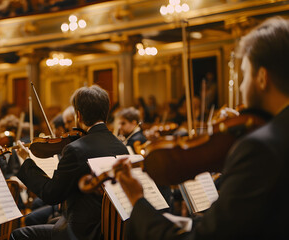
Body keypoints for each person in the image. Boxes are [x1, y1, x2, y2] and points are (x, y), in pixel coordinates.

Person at [115, 17, 289, 239]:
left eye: (244, 75)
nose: (243, 86)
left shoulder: (260, 147)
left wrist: (138, 201)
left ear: (263, 78)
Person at [10, 85, 129, 240]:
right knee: (52, 220)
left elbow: (51, 194)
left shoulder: (76, 149)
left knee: (18, 235)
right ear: (106, 113)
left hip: (83, 232)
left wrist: (27, 161)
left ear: (78, 115)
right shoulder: (120, 146)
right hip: (109, 230)